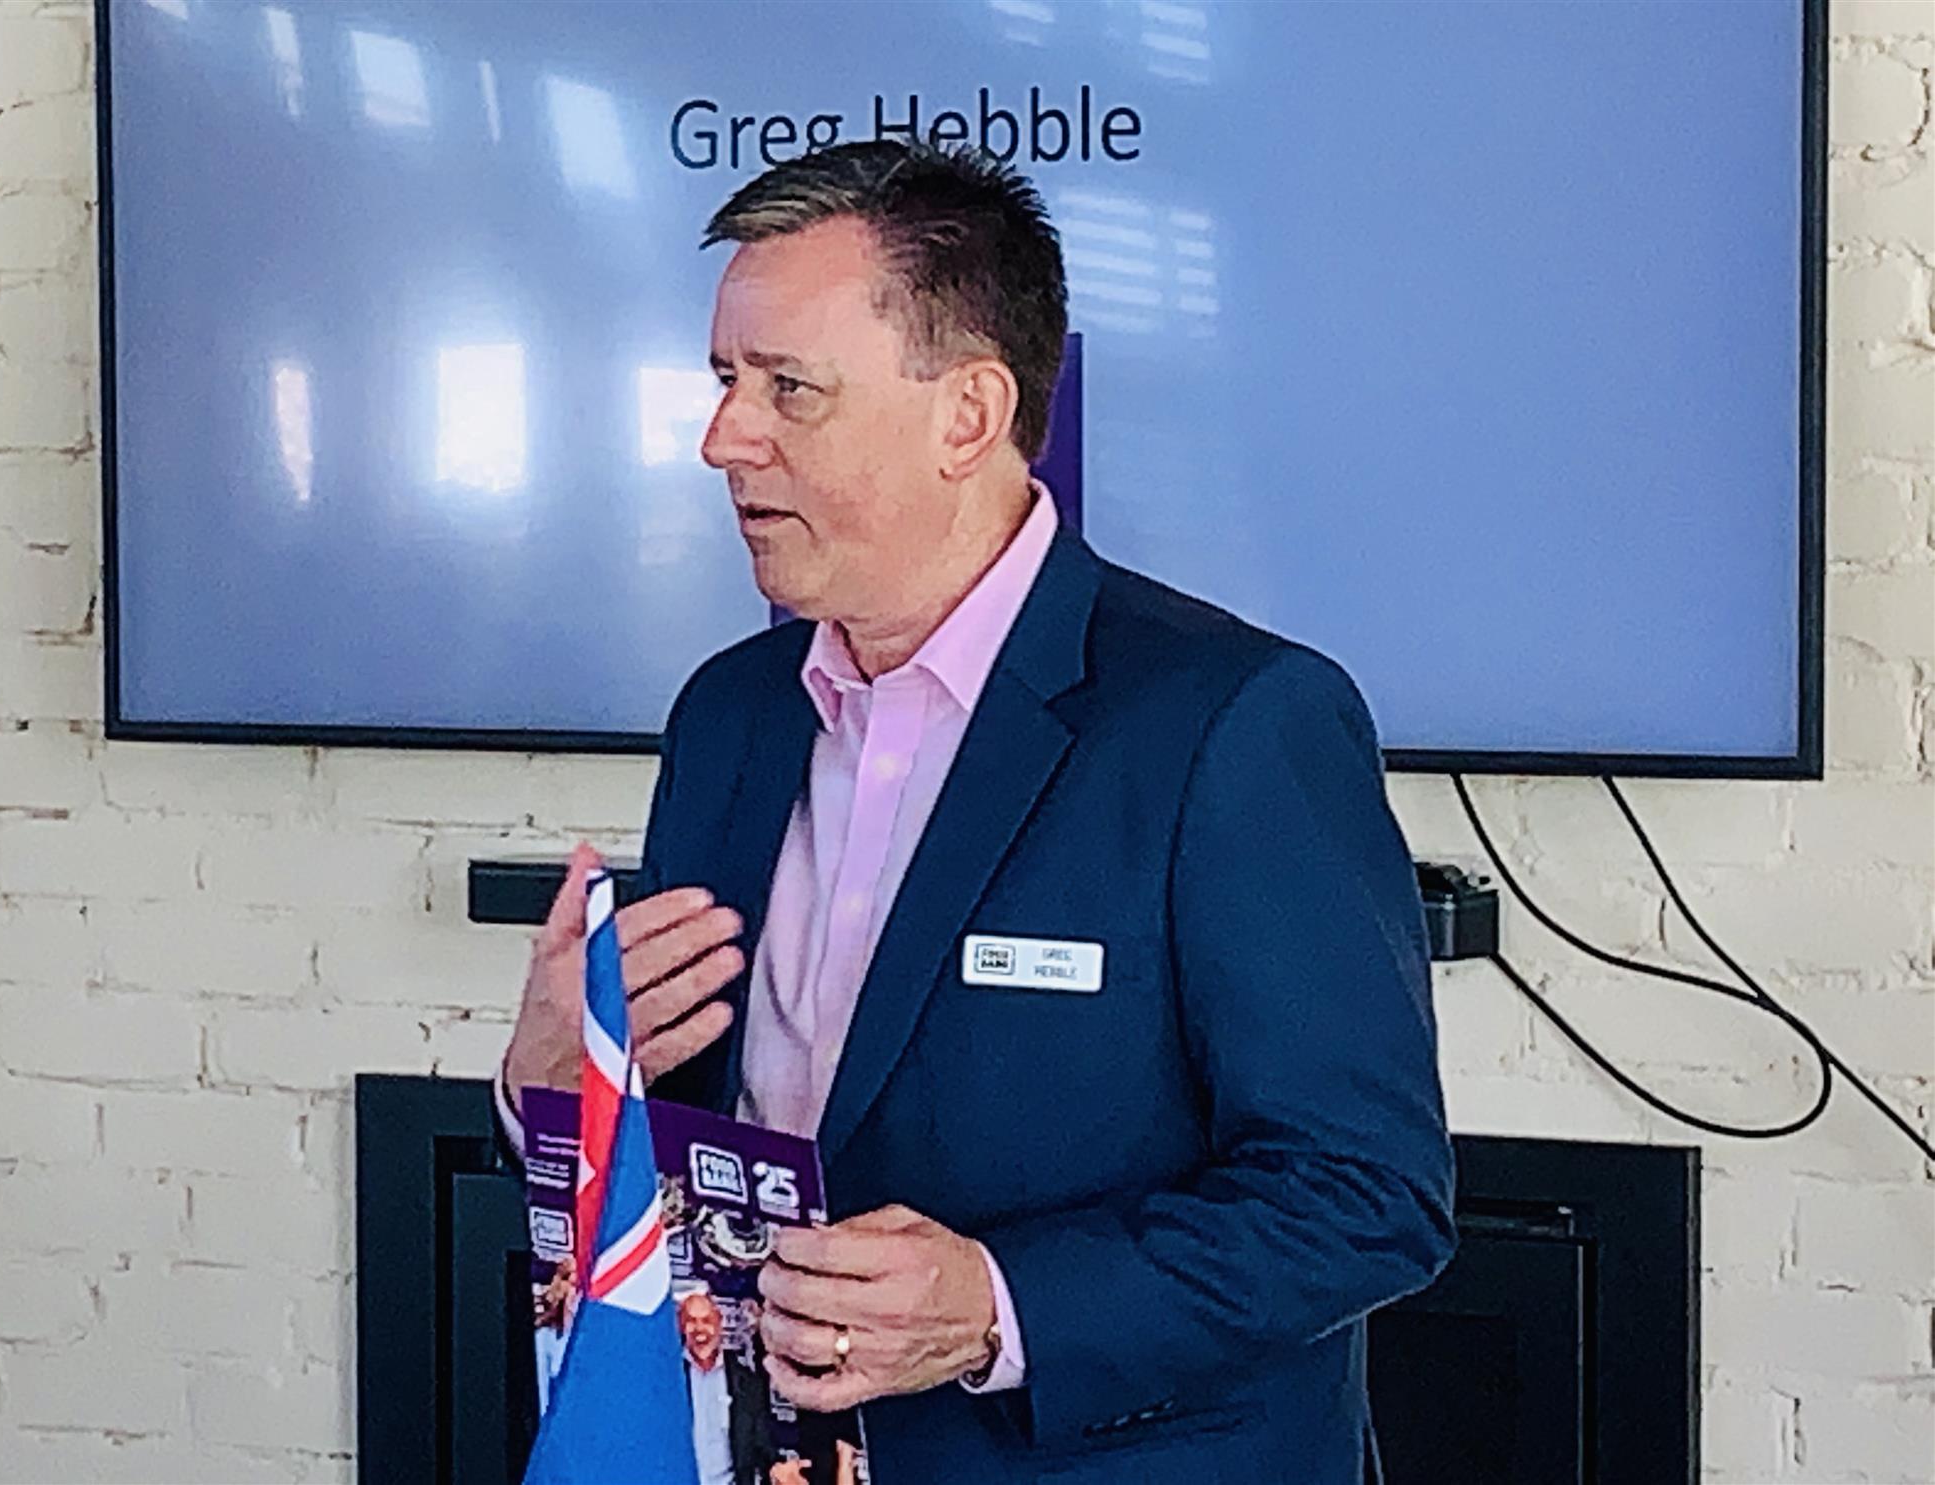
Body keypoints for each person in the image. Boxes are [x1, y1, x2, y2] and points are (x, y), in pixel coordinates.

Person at [503, 140, 1455, 1482]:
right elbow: (704, 1173)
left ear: (967, 414)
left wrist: (998, 1308)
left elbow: (1367, 1197)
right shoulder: (729, 715)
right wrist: (562, 1092)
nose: (723, 439)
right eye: (724, 382)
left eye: (788, 389)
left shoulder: (1236, 722)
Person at [678, 1290, 777, 1485]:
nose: (699, 1329)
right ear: (680, 1326)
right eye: (691, 1321)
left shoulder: (747, 1382)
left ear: (719, 1323)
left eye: (707, 1320)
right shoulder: (669, 1380)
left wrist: (778, 1469)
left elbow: (763, 1445)